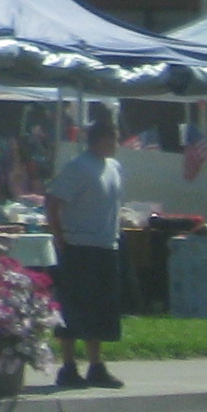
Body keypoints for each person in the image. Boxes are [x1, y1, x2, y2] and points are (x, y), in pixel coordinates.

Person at [45, 112, 127, 390]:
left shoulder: (114, 166)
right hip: (79, 246)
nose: (116, 142)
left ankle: (96, 365)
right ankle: (68, 366)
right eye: (112, 137)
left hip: (106, 246)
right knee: (74, 308)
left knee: (101, 310)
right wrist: (58, 235)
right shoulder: (78, 167)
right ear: (99, 139)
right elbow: (53, 199)